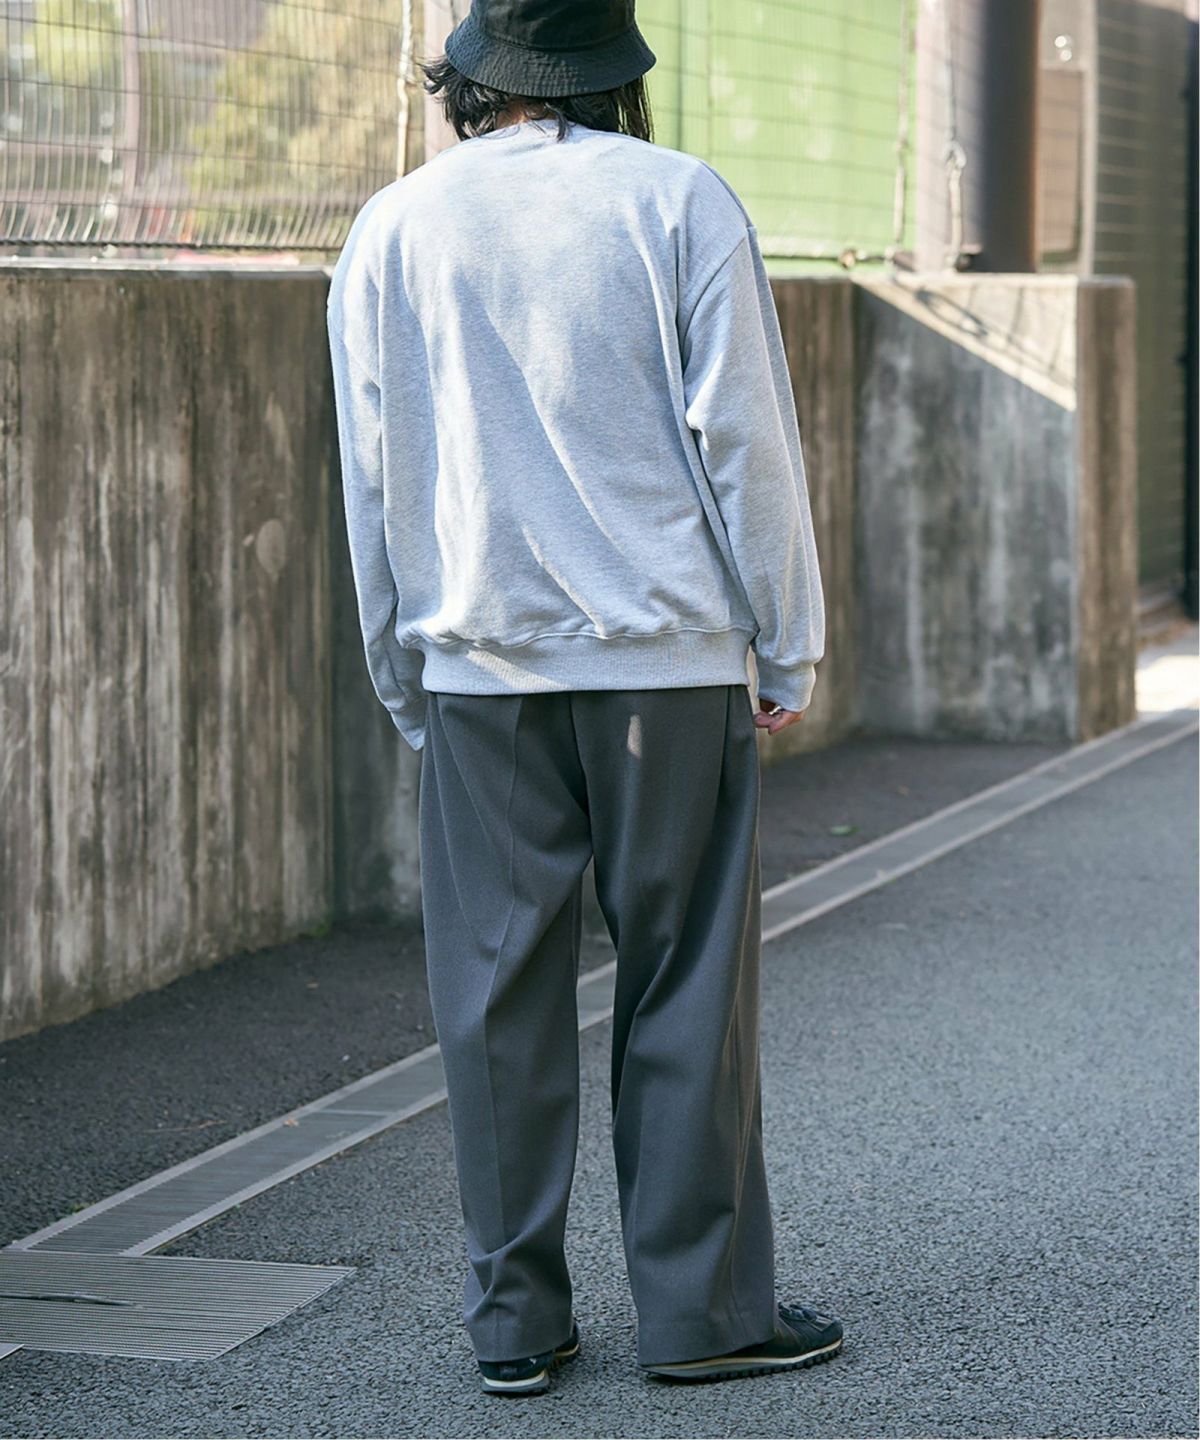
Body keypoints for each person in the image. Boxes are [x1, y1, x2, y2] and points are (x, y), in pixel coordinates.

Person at [326, 0, 840, 1397]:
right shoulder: (677, 201)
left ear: (467, 79)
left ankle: (515, 1322)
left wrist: (404, 672)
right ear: (615, 76)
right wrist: (785, 646)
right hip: (666, 665)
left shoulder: (394, 226)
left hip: (481, 668)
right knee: (685, 983)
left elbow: (373, 476)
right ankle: (703, 1317)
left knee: (494, 995)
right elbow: (746, 439)